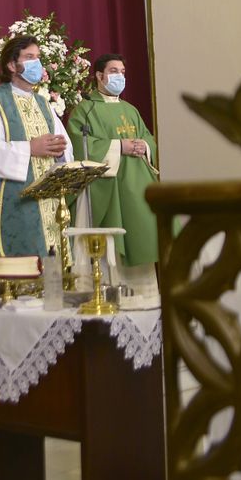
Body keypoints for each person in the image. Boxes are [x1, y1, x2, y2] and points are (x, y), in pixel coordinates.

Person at [0, 35, 77, 272]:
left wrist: (60, 152)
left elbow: (65, 147)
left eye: (38, 58)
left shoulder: (44, 105)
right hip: (8, 200)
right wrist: (29, 149)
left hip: (47, 204)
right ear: (12, 65)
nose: (37, 63)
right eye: (29, 57)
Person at [67, 53, 161, 301]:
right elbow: (81, 144)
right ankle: (109, 292)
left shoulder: (130, 110)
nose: (120, 76)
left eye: (122, 72)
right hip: (109, 187)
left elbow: (148, 138)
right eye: (114, 71)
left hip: (136, 186)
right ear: (99, 76)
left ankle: (143, 295)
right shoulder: (85, 111)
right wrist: (120, 147)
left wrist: (144, 146)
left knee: (140, 237)